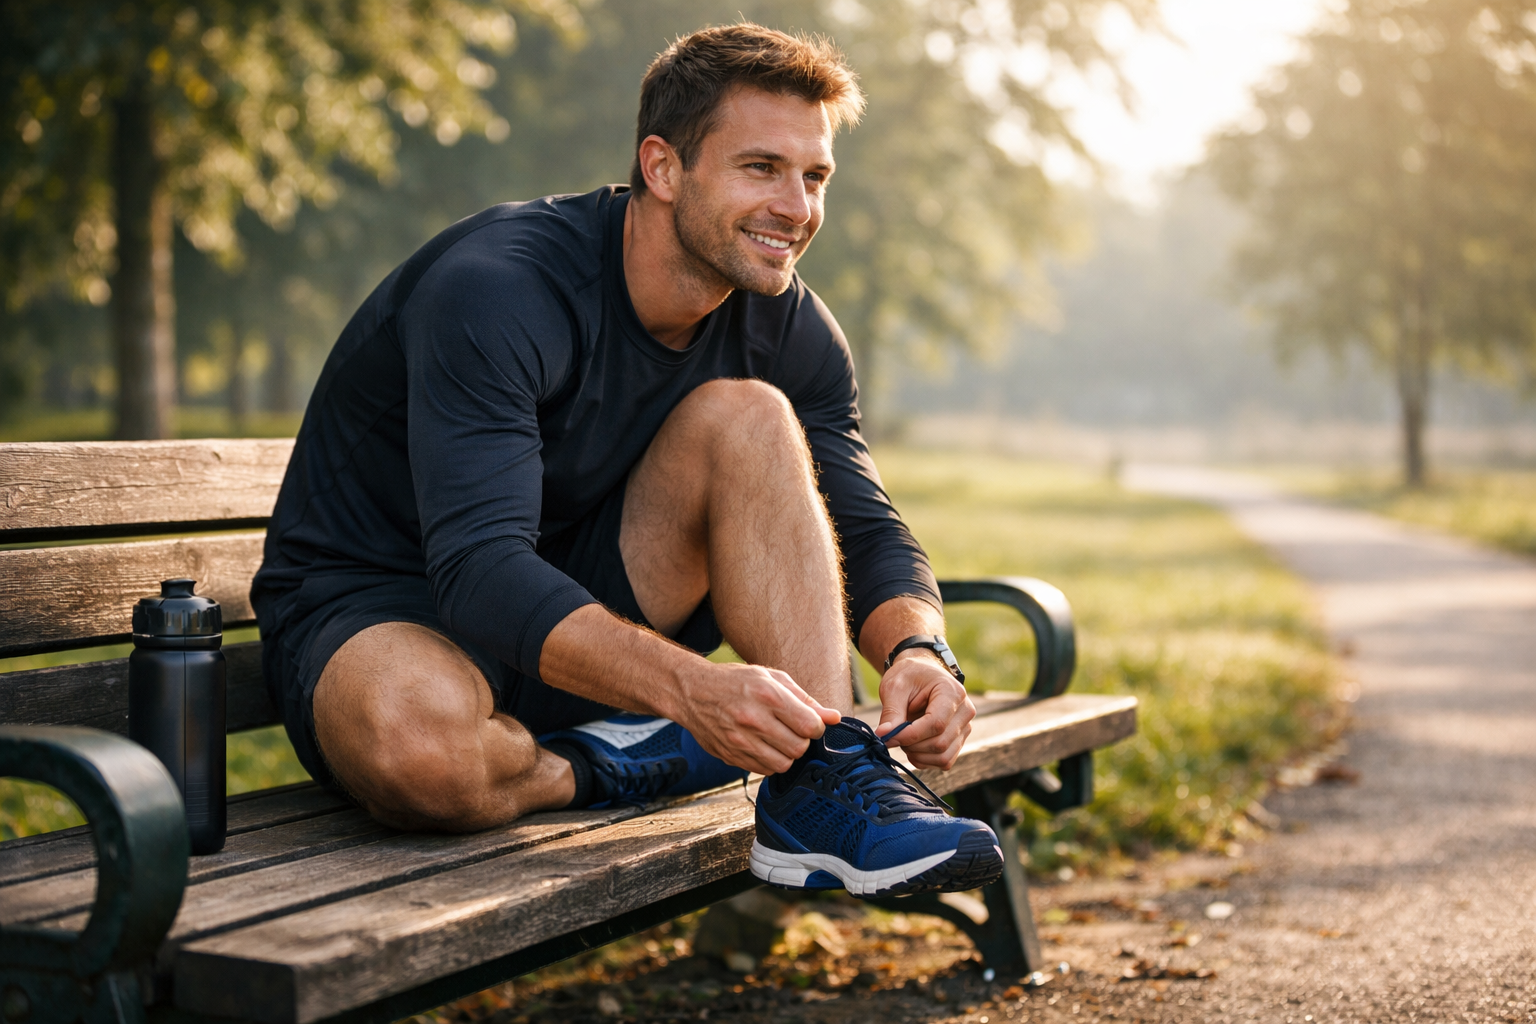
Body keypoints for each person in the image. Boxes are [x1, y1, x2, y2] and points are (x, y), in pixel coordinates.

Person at [251, 23, 1002, 898]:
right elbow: (479, 571)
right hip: (381, 606)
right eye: (762, 168)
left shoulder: (790, 326)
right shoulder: (498, 288)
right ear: (663, 167)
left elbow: (864, 527)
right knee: (422, 752)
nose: (798, 208)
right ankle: (608, 762)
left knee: (752, 417)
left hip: (585, 617)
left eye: (815, 176)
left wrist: (919, 649)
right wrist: (689, 691)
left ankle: (827, 780)